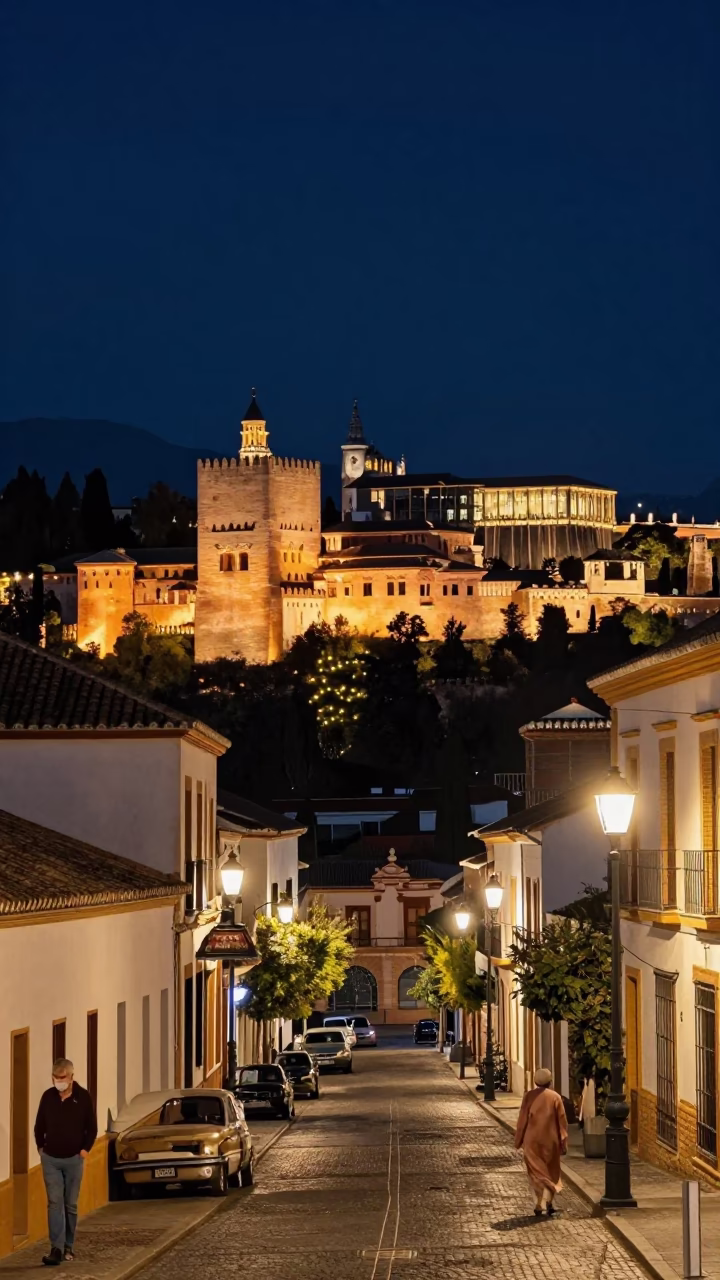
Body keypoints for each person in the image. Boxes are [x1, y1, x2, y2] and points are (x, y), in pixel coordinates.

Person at [34, 1057, 98, 1266]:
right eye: (56, 1077)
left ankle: (69, 1245)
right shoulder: (48, 1097)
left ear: (71, 1077)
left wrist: (84, 1150)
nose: (59, 1081)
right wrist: (41, 1148)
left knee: (70, 1204)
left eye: (62, 1077)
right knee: (54, 1203)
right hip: (50, 1159)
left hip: (73, 1159)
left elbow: (92, 1127)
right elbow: (39, 1125)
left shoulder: (83, 1097)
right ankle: (56, 1248)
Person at [514, 1067, 568, 1217]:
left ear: (535, 1081)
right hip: (550, 1141)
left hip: (532, 1141)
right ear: (550, 1082)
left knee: (536, 1172)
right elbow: (562, 1122)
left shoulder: (528, 1097)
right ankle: (547, 1202)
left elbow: (522, 1120)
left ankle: (540, 1202)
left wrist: (518, 1140)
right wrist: (563, 1142)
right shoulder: (556, 1097)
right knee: (551, 1171)